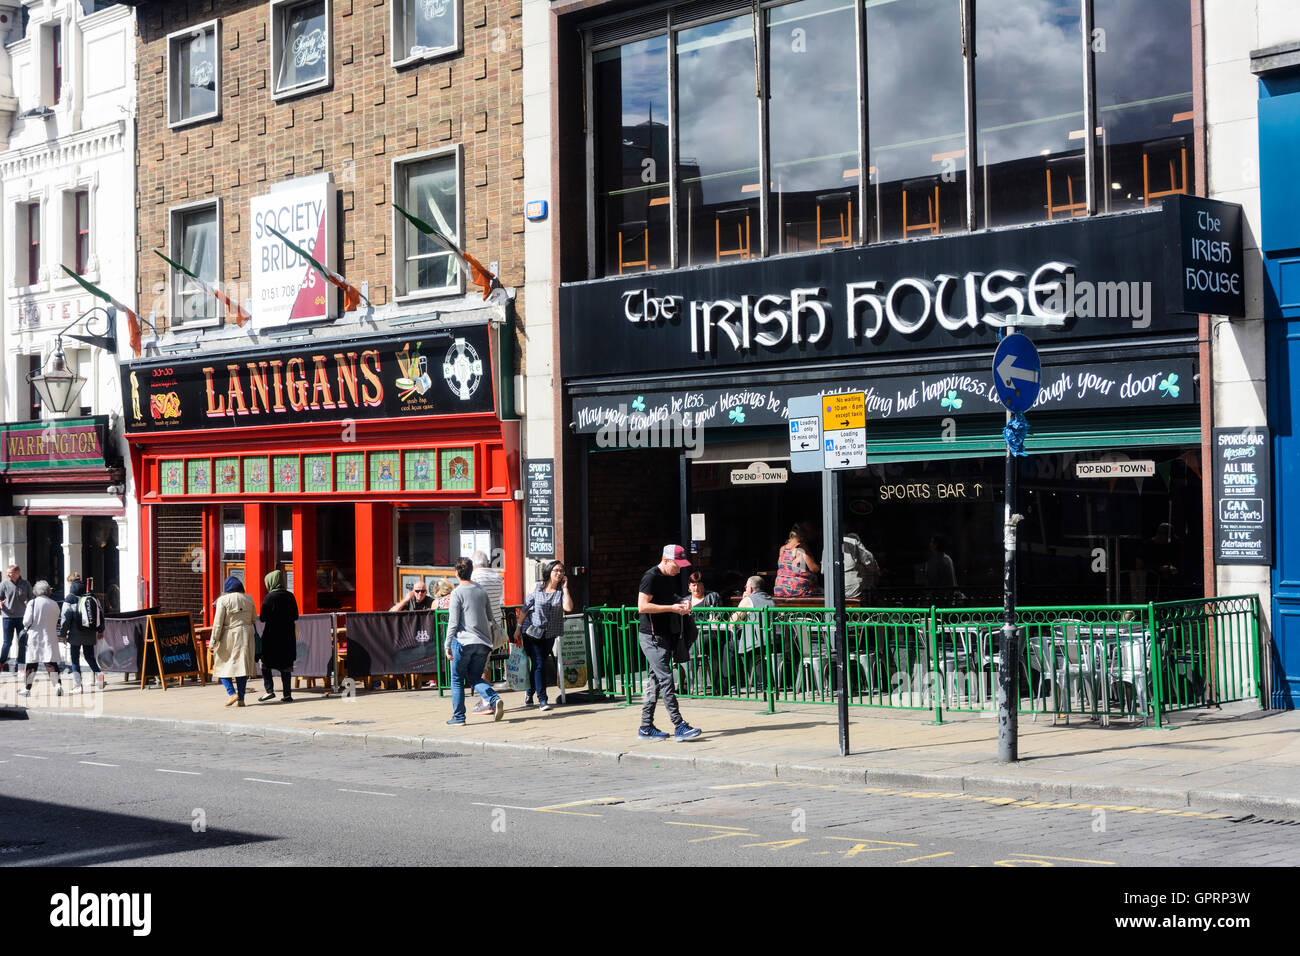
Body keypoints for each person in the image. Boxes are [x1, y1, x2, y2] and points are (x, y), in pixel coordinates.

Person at [635, 545, 702, 741]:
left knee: (654, 682)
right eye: (677, 565)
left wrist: (682, 601)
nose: (679, 569)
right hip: (652, 638)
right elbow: (642, 606)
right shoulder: (650, 577)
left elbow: (668, 597)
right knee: (666, 679)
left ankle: (646, 726)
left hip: (662, 636)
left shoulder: (666, 578)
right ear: (665, 560)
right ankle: (679, 725)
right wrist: (673, 608)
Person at [443, 557, 504, 725]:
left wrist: (447, 644)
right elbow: (491, 617)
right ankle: (493, 698)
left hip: (463, 641)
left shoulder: (457, 593)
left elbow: (453, 622)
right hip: (483, 642)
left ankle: (459, 717)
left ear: (456, 573)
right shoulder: (481, 591)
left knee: (456, 679)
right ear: (471, 571)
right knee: (475, 677)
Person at [515, 560, 574, 711]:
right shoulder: (537, 588)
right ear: (549, 572)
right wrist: (518, 628)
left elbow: (568, 607)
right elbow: (525, 610)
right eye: (556, 570)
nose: (559, 573)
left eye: (561, 571)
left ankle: (529, 693)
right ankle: (542, 700)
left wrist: (566, 588)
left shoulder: (560, 592)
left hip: (550, 634)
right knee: (540, 664)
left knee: (536, 665)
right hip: (531, 633)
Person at [210, 576, 257, 707]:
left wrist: (213, 640)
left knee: (221, 665)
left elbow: (218, 623)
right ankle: (241, 699)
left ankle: (232, 693)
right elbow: (254, 618)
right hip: (246, 635)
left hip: (229, 636)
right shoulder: (249, 598)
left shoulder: (223, 600)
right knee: (242, 667)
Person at [258, 569, 299, 703]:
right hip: (287, 635)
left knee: (265, 663)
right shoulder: (290, 596)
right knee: (286, 665)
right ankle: (287, 695)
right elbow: (295, 616)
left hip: (272, 635)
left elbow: (263, 618)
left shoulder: (269, 597)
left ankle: (269, 691)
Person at [59, 573, 103, 693]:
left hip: (75, 634)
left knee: (75, 659)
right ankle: (100, 676)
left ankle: (78, 686)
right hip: (90, 632)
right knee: (89, 656)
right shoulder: (92, 596)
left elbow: (65, 617)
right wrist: (100, 630)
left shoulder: (70, 598)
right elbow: (100, 613)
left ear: (71, 584)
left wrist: (63, 634)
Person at [729, 575, 774, 692]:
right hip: (773, 641)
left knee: (728, 647)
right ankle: (760, 683)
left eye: (746, 587)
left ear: (750, 589)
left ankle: (733, 684)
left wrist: (743, 600)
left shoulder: (748, 600)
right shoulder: (770, 599)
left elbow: (733, 622)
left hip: (758, 642)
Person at [19, 580, 60, 698]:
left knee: (32, 664)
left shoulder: (33, 603)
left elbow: (26, 621)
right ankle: (58, 686)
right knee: (51, 663)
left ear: (36, 590)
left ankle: (27, 689)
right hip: (50, 636)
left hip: (35, 636)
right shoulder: (54, 603)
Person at [471, 550, 505, 682]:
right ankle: (486, 691)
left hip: (479, 625)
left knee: (481, 661)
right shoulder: (497, 578)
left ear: (473, 564)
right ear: (487, 563)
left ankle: (486, 693)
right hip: (495, 623)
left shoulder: (473, 578)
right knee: (486, 658)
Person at [774, 523, 822, 598]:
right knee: (826, 592)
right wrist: (821, 564)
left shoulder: (782, 549)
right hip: (797, 589)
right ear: (804, 536)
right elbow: (814, 569)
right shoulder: (802, 547)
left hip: (780, 588)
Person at [1, 565, 32, 676]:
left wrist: (29, 604)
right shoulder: (3, 584)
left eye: (10, 572)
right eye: (7, 572)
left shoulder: (26, 584)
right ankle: (1, 664)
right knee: (7, 643)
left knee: (22, 642)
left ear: (17, 572)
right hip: (7, 617)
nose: (8, 574)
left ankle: (21, 667)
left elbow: (31, 598)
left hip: (22, 618)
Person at [842, 531, 879, 602]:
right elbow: (868, 560)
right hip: (851, 586)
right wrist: (876, 570)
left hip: (832, 586)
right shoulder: (852, 540)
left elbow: (823, 570)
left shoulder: (828, 542)